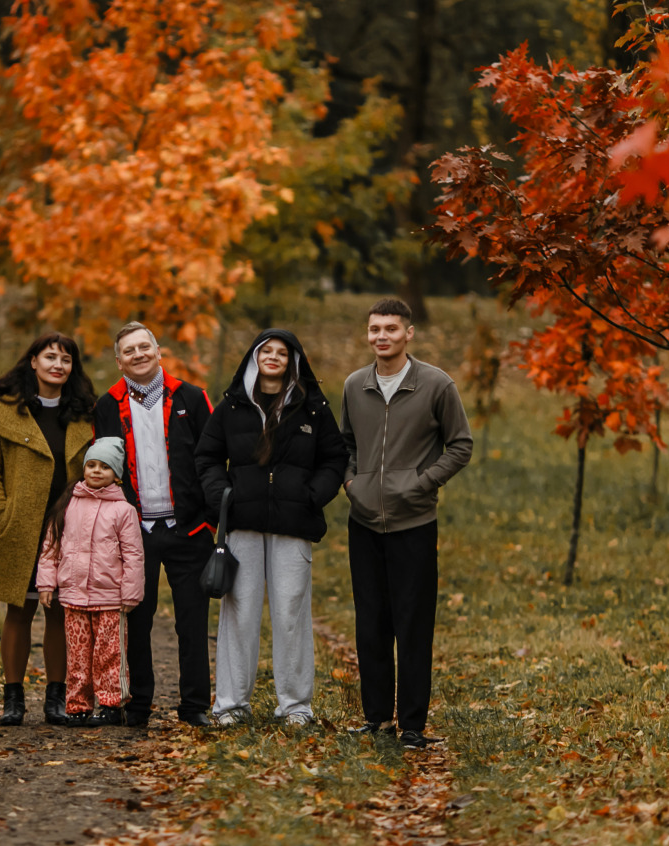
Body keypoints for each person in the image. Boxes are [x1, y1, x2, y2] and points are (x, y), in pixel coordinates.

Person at [340, 298, 474, 749]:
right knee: (371, 622)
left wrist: (421, 484)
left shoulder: (436, 385)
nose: (382, 336)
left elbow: (460, 445)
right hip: (363, 523)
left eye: (391, 329)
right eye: (375, 329)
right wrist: (351, 481)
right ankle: (376, 717)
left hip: (414, 523)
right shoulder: (355, 385)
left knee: (413, 625)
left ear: (408, 333)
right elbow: (346, 444)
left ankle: (412, 724)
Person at [196, 330, 347, 727]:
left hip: (293, 526)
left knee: (292, 613)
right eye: (267, 351)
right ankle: (230, 706)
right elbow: (207, 456)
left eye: (283, 353)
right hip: (241, 525)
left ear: (293, 361)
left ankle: (295, 707)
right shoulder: (232, 406)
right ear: (254, 357)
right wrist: (222, 495)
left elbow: (335, 457)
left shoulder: (313, 407)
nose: (274, 358)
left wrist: (312, 496)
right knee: (239, 612)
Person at [93, 321, 214, 728]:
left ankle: (195, 706)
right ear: (118, 360)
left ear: (158, 350)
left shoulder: (191, 398)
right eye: (129, 350)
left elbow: (212, 460)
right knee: (136, 621)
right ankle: (138, 704)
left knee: (192, 622)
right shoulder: (107, 405)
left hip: (188, 528)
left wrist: (210, 520)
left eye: (145, 346)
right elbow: (103, 469)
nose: (138, 354)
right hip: (134, 531)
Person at [0, 333, 97, 726]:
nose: (58, 365)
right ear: (33, 361)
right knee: (20, 609)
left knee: (62, 612)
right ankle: (13, 700)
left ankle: (55, 699)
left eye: (66, 359)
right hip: (21, 526)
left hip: (69, 528)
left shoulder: (83, 414)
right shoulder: (3, 412)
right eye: (50, 357)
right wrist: (1, 513)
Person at [36, 438, 144, 727]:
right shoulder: (68, 505)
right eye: (92, 465)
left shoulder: (124, 511)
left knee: (109, 654)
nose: (97, 471)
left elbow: (134, 554)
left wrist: (131, 593)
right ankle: (78, 706)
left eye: (105, 466)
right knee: (78, 654)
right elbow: (51, 546)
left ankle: (111, 706)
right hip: (73, 596)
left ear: (117, 474)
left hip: (110, 598)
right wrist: (47, 584)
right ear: (84, 469)